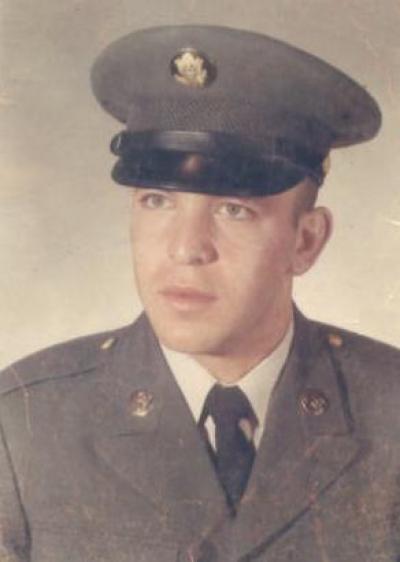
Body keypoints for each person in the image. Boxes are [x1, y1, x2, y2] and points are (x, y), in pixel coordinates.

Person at [1, 25, 399, 562]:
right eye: (157, 201)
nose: (186, 248)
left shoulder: (390, 412)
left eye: (234, 210)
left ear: (305, 241)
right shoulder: (24, 426)